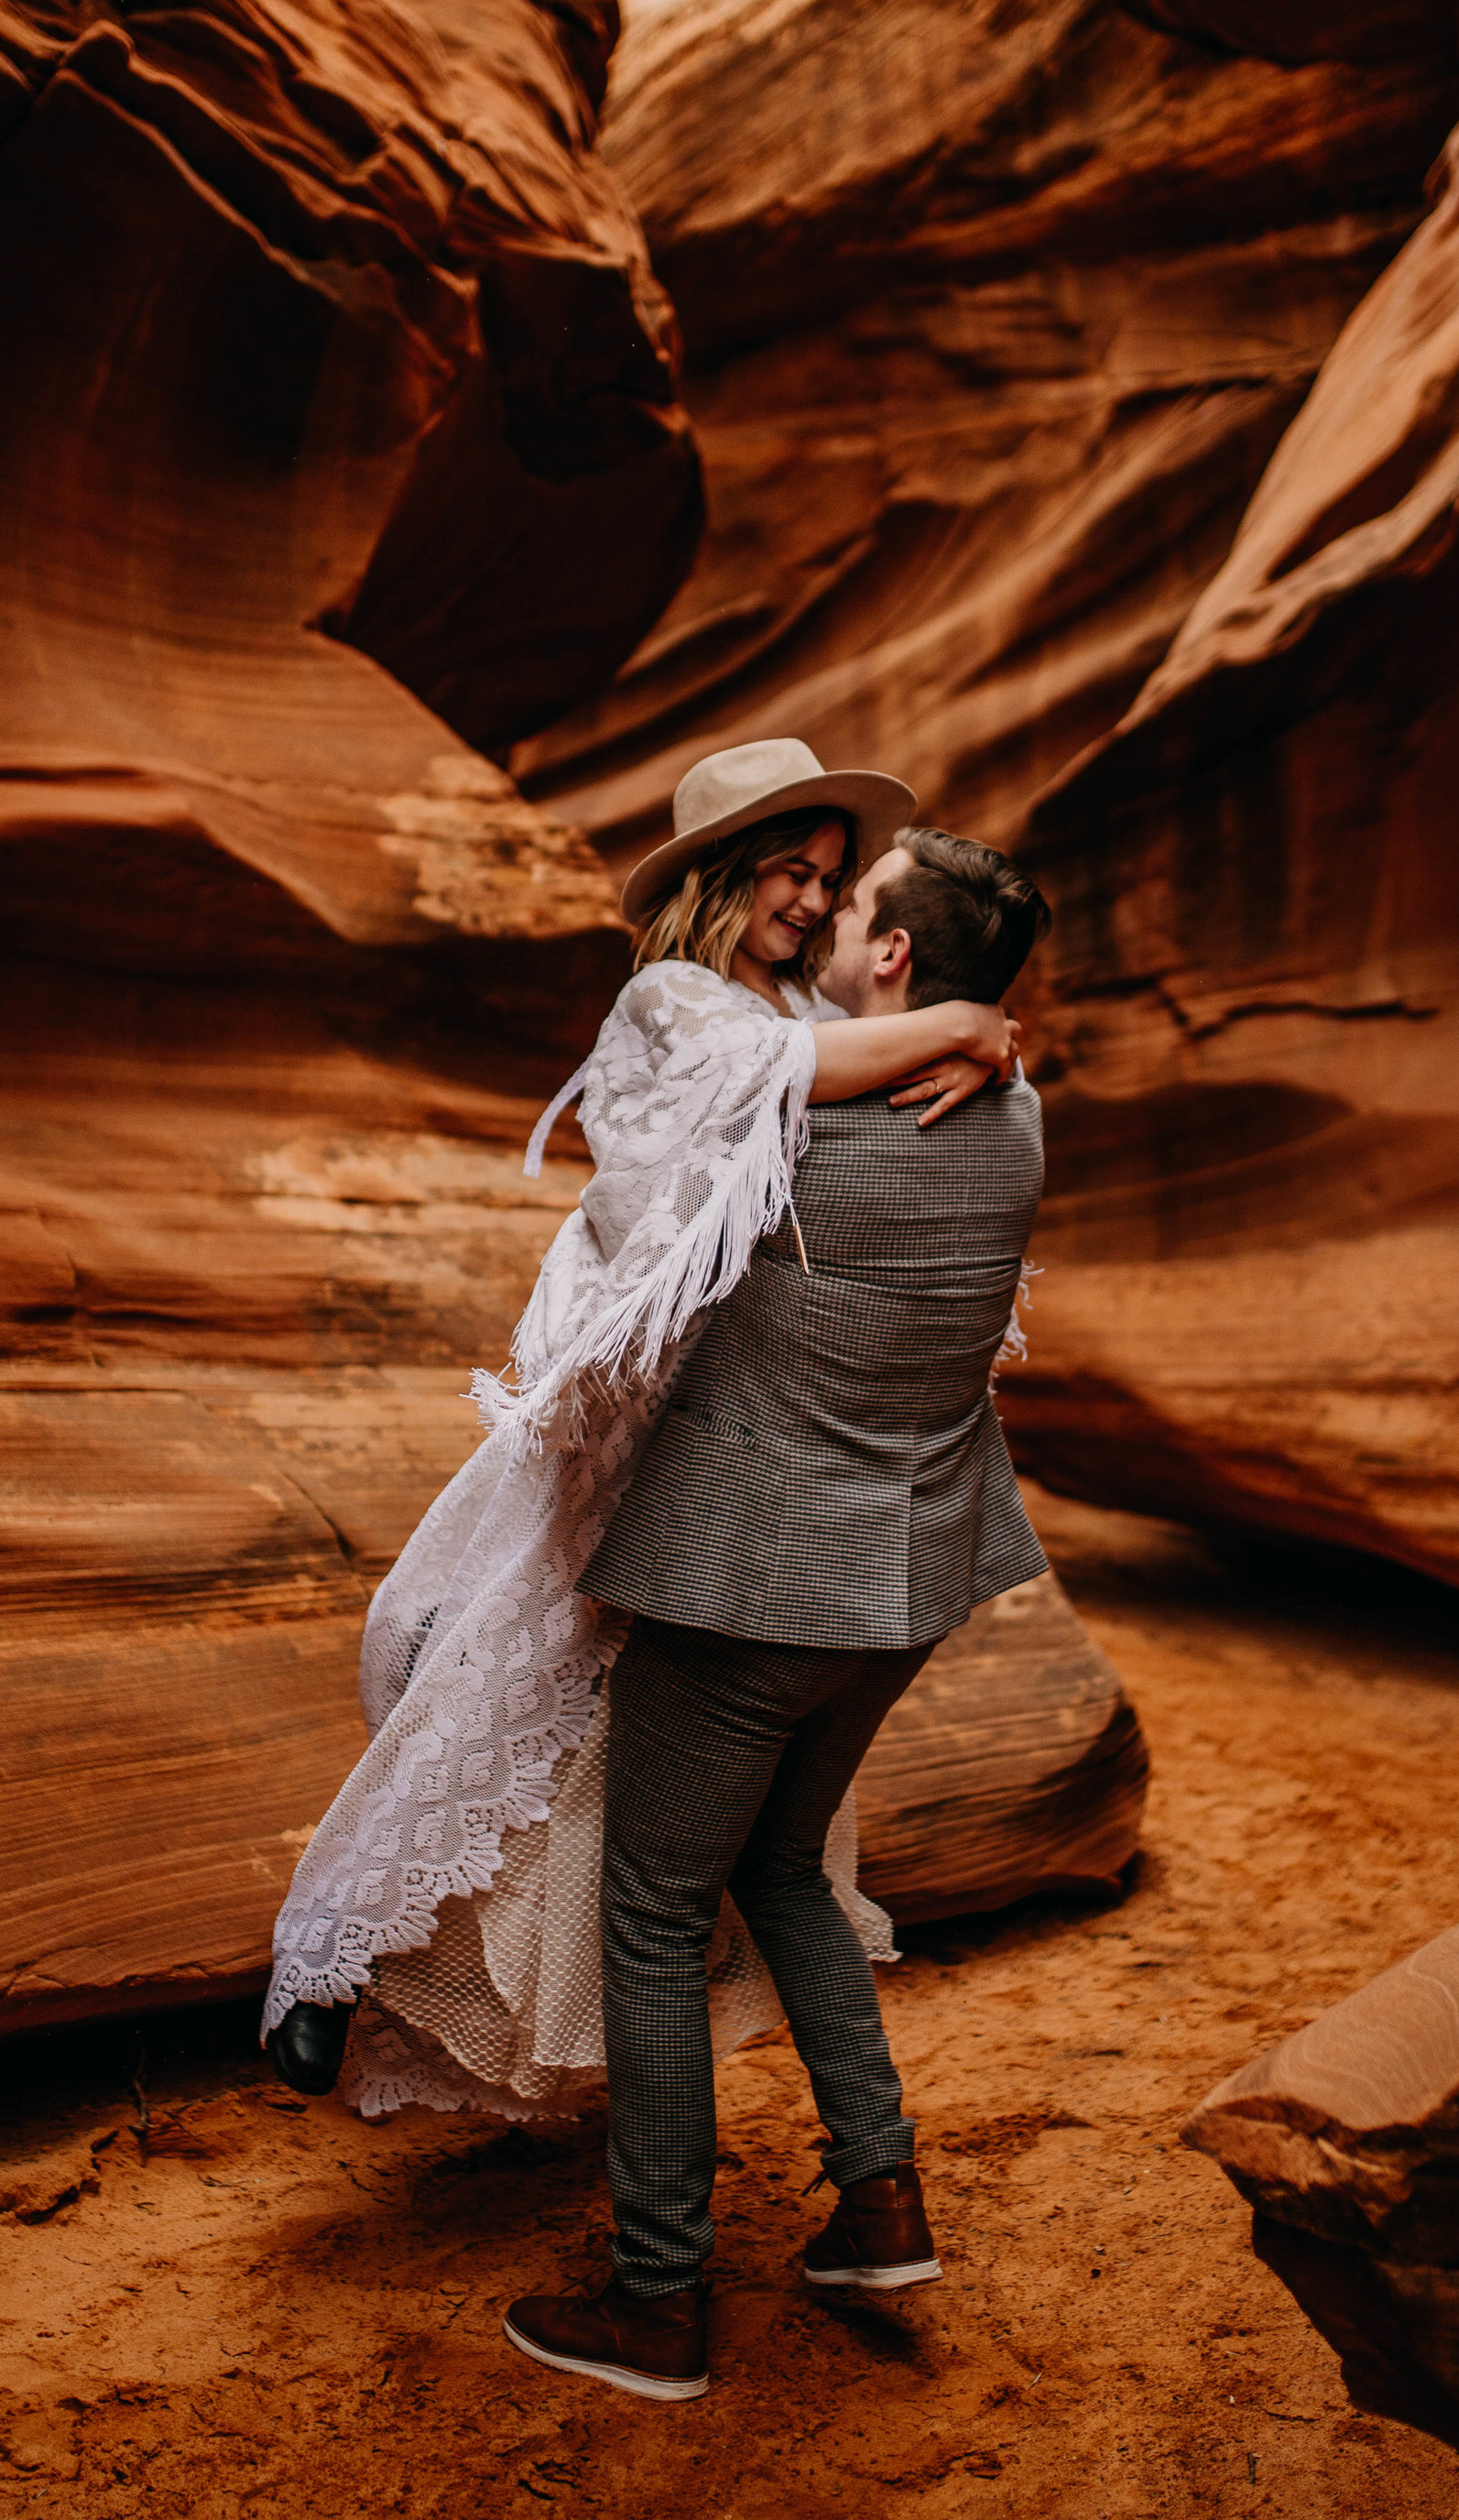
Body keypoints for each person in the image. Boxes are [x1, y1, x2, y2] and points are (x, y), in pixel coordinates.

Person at [261, 738, 1023, 2133]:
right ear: (724, 875)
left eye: (829, 878)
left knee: (578, 1746)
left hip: (723, 1437)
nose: (810, 898)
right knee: (453, 1640)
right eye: (789, 870)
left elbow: (832, 1071)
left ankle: (451, 1990)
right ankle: (335, 1941)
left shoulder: (808, 1003)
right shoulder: (673, 1003)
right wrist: (966, 1026)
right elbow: (780, 1077)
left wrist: (958, 1034)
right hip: (609, 1410)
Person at [503, 814, 1052, 2404]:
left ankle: (659, 2295)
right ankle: (877, 2194)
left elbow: (671, 1172)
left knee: (656, 1912)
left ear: (886, 956)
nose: (821, 913)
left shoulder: (788, 1116)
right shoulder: (1019, 1120)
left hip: (754, 1581)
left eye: (855, 899)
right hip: (908, 1579)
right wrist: (972, 1024)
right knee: (784, 1869)